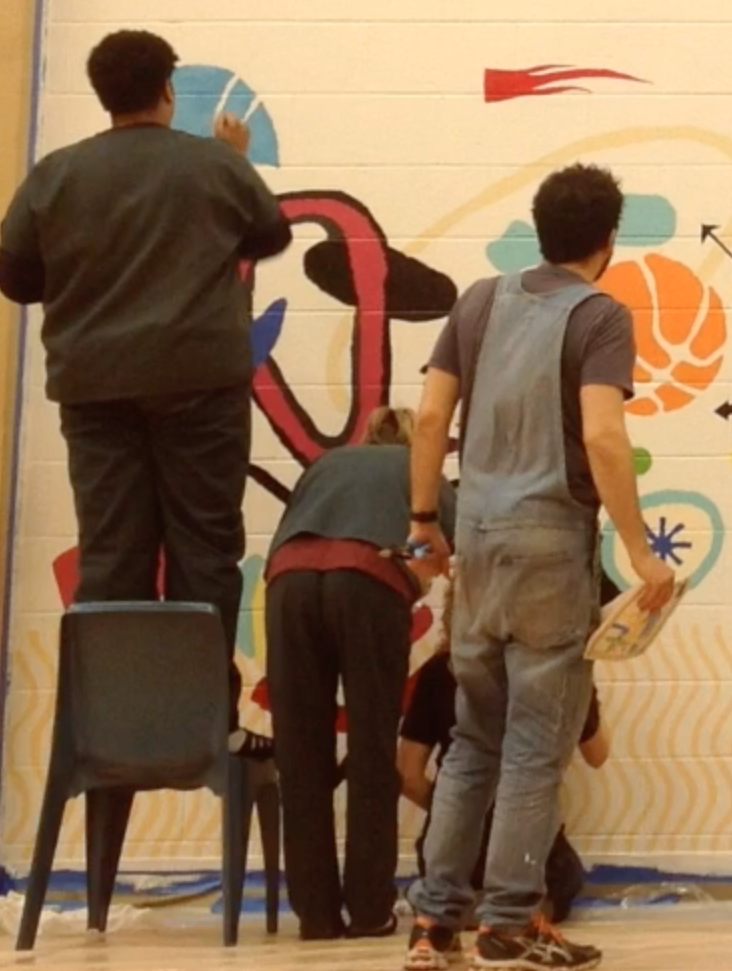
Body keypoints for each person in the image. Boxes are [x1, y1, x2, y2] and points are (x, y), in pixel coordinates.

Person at [402, 164, 677, 971]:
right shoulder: (601, 315)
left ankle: (433, 923)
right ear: (609, 239)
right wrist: (634, 545)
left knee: (473, 737)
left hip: (478, 547)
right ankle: (511, 923)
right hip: (553, 547)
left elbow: (427, 416)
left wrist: (425, 522)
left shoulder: (480, 300)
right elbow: (602, 436)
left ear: (539, 226)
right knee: (531, 748)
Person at [0, 28, 293, 725]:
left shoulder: (55, 175)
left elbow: (15, 279)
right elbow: (271, 233)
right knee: (205, 548)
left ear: (103, 95)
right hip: (202, 387)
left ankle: (113, 719)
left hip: (94, 390)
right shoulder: (211, 167)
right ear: (168, 89)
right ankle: (198, 716)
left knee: (111, 550)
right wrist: (231, 165)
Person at [265, 406, 448, 940]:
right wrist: (418, 576)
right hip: (367, 586)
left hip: (288, 584)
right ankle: (369, 909)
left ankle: (314, 914)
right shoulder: (421, 469)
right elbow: (441, 545)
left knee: (300, 751)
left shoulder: (328, 463)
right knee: (370, 749)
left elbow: (297, 531)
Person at [400, 621, 608, 926]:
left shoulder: (439, 671)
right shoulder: (555, 673)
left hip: (453, 860)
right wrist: (584, 685)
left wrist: (451, 812)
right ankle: (519, 914)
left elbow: (407, 775)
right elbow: (598, 754)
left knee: (468, 774)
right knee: (562, 870)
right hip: (532, 860)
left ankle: (443, 911)